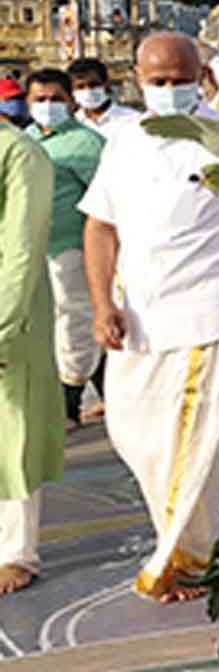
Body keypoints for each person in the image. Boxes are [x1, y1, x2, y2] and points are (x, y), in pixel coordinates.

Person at [80, 33, 219, 603]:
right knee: (134, 434)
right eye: (158, 81)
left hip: (210, 315)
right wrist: (102, 303)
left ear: (201, 78)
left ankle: (186, 558)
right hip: (140, 320)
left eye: (179, 80)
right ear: (138, 79)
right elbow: (100, 227)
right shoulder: (123, 140)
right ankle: (193, 542)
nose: (168, 90)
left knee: (195, 445)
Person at [23, 69, 106, 429]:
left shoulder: (87, 144)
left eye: (55, 99)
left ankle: (68, 405)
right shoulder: (22, 140)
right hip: (27, 250)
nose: (47, 106)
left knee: (73, 322)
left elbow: (104, 204)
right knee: (43, 327)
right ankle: (105, 392)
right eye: (39, 100)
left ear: (71, 101)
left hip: (70, 247)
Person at [0, 119, 61, 595]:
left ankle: (16, 551)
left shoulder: (20, 153)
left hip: (10, 309)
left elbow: (23, 245)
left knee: (12, 429)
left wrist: (3, 325)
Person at [68, 58, 140, 134]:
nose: (88, 91)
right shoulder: (72, 125)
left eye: (94, 85)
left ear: (106, 84)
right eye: (80, 87)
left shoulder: (132, 119)